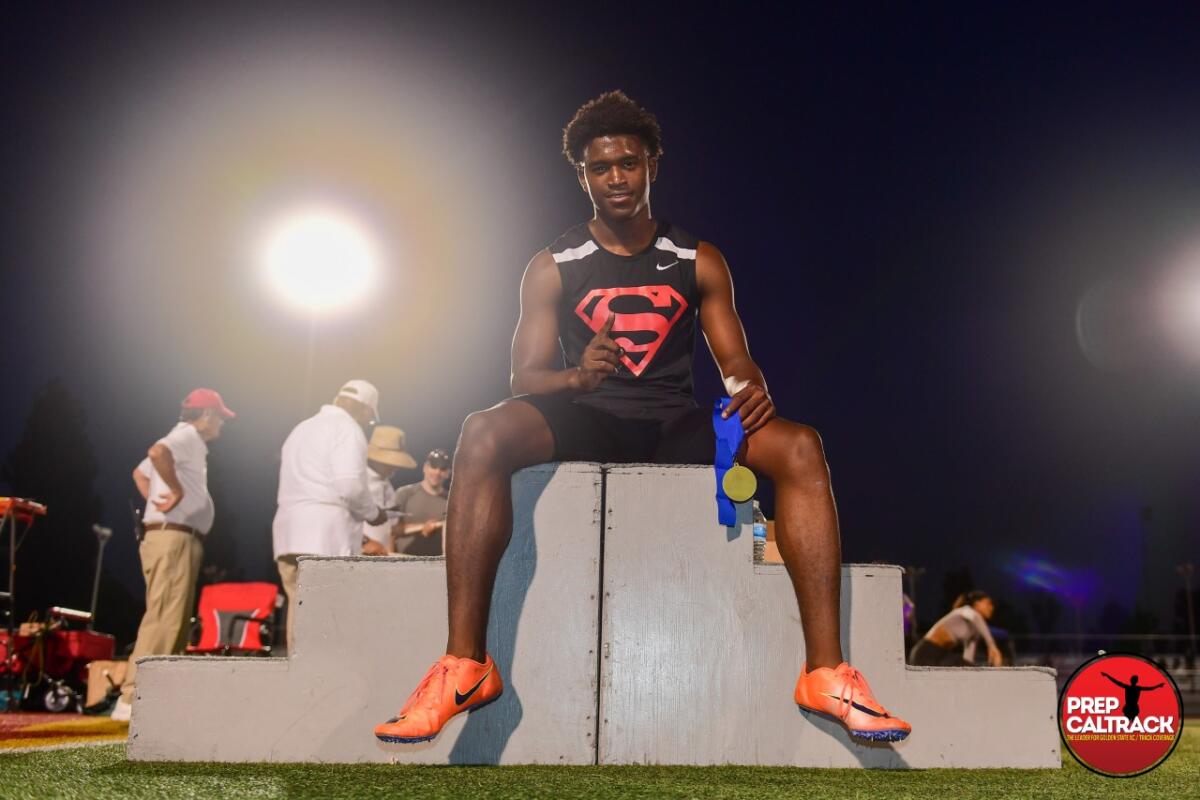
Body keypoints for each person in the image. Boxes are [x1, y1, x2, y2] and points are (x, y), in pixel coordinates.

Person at [375, 91, 910, 744]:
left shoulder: (697, 259)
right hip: (584, 417)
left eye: (629, 163)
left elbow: (733, 358)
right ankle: (466, 664)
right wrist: (577, 376)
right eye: (601, 169)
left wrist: (749, 388)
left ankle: (826, 673)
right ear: (583, 175)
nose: (617, 178)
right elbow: (524, 376)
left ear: (652, 163)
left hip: (675, 426)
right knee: (482, 430)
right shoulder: (552, 265)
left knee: (800, 447)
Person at [113, 388, 236, 722]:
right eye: (221, 417)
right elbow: (156, 453)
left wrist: (158, 495)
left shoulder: (185, 439)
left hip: (175, 537)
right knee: (164, 615)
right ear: (207, 415)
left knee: (174, 619)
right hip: (173, 537)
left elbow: (140, 473)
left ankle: (155, 697)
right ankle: (132, 696)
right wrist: (175, 492)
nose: (222, 425)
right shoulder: (188, 436)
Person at [273, 380, 391, 649]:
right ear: (363, 410)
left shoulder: (301, 428)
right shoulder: (347, 429)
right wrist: (372, 513)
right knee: (327, 617)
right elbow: (349, 485)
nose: (367, 424)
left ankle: (300, 685)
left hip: (289, 535)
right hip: (325, 539)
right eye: (369, 419)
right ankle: (324, 686)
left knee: (299, 615)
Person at [362, 426, 418, 556]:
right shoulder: (357, 480)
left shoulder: (388, 486)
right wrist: (365, 542)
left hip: (379, 561)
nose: (396, 466)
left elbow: (391, 529)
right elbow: (341, 518)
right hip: (354, 557)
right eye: (392, 460)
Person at [909, 590, 1003, 667]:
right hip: (926, 652)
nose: (992, 608)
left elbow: (968, 659)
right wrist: (992, 646)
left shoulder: (976, 631)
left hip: (941, 655)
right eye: (988, 603)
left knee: (969, 668)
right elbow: (975, 617)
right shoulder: (965, 610)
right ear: (977, 603)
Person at [389, 449, 452, 557]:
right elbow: (390, 529)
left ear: (448, 473)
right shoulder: (404, 493)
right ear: (425, 468)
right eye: (434, 466)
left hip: (437, 565)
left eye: (442, 469)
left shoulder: (452, 501)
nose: (437, 472)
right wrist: (423, 527)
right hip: (403, 562)